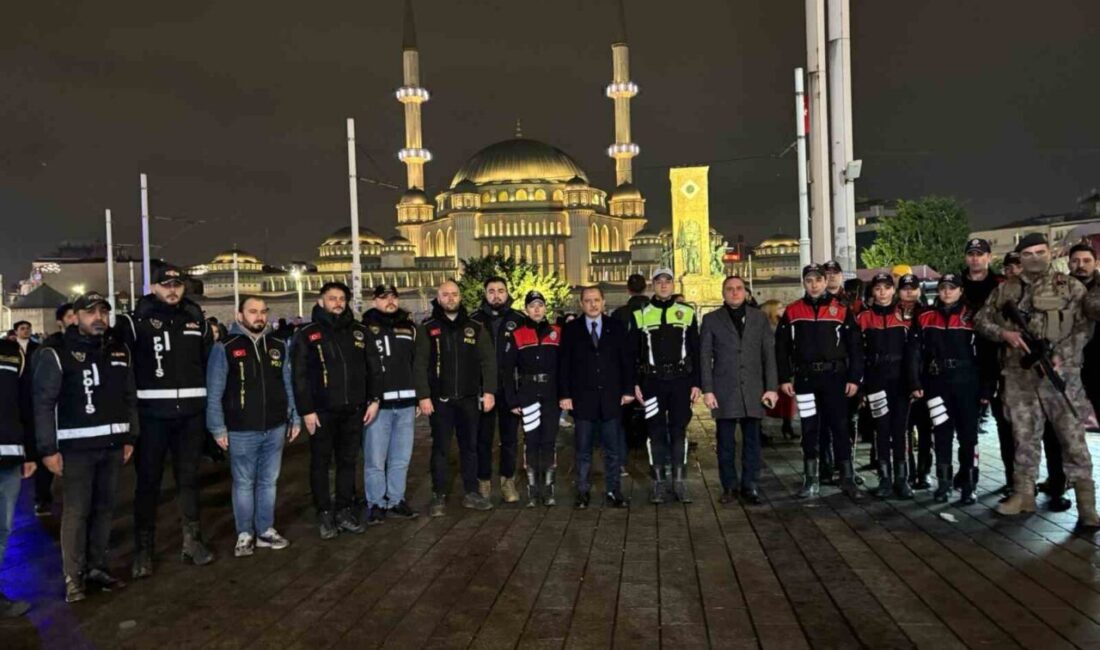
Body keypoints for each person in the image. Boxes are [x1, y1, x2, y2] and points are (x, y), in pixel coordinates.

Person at [976, 233, 1100, 528]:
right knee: (1024, 438)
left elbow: (1085, 328)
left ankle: (1087, 506)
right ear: (1020, 258)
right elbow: (981, 320)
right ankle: (1023, 494)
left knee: (1073, 440)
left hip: (1061, 376)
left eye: (1040, 252)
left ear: (1050, 253)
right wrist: (1005, 334)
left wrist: (1062, 356)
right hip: (1020, 378)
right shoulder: (1005, 290)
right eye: (1028, 253)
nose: (1034, 258)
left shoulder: (1070, 286)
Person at [34, 291, 137, 602]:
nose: (98, 318)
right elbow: (43, 403)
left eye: (103, 312)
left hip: (112, 445)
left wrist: (130, 436)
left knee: (105, 509)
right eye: (91, 313)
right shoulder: (57, 352)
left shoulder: (119, 350)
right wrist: (48, 449)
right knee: (77, 513)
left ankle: (97, 566)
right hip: (76, 448)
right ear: (75, 316)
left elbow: (129, 396)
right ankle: (73, 577)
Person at [116, 265, 215, 577]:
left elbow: (206, 360)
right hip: (152, 417)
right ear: (153, 287)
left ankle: (192, 541)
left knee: (188, 480)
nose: (173, 290)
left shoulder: (195, 317)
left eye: (177, 284)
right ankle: (144, 550)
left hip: (190, 414)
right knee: (148, 484)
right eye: (166, 285)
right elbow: (123, 370)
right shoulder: (134, 321)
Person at [206, 296, 300, 558]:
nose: (259, 317)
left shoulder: (278, 345)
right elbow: (215, 391)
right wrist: (217, 427)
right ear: (239, 316)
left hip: (275, 426)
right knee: (244, 482)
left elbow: (287, 384)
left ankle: (265, 530)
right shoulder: (225, 347)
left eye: (262, 312)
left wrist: (294, 417)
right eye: (252, 312)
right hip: (240, 428)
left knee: (269, 482)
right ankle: (245, 533)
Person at [290, 282, 380, 539]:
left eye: (342, 298)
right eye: (332, 298)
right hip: (321, 412)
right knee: (320, 463)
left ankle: (344, 508)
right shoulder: (308, 334)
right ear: (321, 302)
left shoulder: (359, 332)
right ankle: (324, 512)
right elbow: (300, 376)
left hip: (353, 410)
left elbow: (373, 367)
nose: (338, 303)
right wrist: (306, 410)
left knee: (348, 462)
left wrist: (374, 399)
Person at [776, 263, 863, 499]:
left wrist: (854, 377)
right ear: (804, 283)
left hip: (835, 378)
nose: (813, 285)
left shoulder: (842, 310)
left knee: (840, 426)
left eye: (818, 280)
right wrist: (784, 378)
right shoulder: (793, 311)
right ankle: (811, 479)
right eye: (809, 280)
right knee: (810, 429)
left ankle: (847, 478)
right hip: (805, 380)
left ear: (826, 282)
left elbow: (855, 347)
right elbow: (781, 349)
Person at [413, 280, 497, 517]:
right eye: (445, 295)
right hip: (440, 401)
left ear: (461, 297)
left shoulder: (475, 328)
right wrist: (423, 396)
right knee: (440, 449)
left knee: (470, 447)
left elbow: (488, 362)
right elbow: (419, 365)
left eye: (454, 294)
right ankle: (438, 495)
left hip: (469, 400)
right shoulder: (427, 328)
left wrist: (489, 391)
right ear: (438, 298)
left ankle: (471, 492)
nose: (450, 298)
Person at [907, 273, 990, 505]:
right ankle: (943, 485)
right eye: (943, 288)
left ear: (960, 291)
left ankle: (969, 485)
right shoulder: (924, 317)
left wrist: (986, 389)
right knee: (942, 434)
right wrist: (915, 382)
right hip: (937, 384)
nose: (946, 292)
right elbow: (914, 352)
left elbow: (986, 356)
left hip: (967, 384)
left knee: (969, 438)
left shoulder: (973, 317)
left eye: (952, 288)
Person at [700, 276, 778, 505]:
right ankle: (729, 487)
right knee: (725, 443)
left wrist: (771, 388)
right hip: (724, 390)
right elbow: (705, 357)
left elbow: (768, 356)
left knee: (752, 442)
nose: (734, 293)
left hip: (753, 389)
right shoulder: (711, 319)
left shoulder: (759, 318)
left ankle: (751, 485)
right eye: (729, 289)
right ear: (723, 293)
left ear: (746, 292)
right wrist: (708, 390)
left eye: (738, 289)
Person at [629, 268, 701, 504]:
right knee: (655, 431)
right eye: (658, 282)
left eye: (667, 282)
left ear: (672, 285)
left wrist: (696, 383)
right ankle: (659, 483)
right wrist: (635, 384)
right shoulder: (641, 314)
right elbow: (634, 354)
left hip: (680, 381)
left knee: (679, 430)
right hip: (652, 383)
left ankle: (679, 483)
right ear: (652, 285)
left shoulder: (686, 312)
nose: (663, 286)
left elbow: (695, 350)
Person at [559, 286, 633, 508]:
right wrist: (564, 395)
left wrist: (628, 390)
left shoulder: (616, 327)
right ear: (581, 304)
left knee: (613, 450)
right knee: (582, 451)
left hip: (611, 399)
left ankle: (613, 491)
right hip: (583, 400)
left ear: (603, 303)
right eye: (588, 300)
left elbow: (626, 361)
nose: (592, 304)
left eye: (596, 300)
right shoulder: (571, 330)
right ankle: (582, 491)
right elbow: (564, 366)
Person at [361, 285, 420, 524]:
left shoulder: (409, 327)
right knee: (375, 459)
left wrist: (418, 397)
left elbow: (416, 363)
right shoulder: (365, 328)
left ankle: (396, 499)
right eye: (384, 297)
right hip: (379, 405)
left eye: (394, 297)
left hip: (405, 403)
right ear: (374, 300)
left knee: (401, 457)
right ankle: (376, 502)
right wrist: (369, 399)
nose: (390, 301)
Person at [501, 291, 562, 507]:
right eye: (532, 306)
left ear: (546, 308)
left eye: (540, 305)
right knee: (531, 441)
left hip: (551, 394)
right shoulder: (517, 334)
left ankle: (549, 489)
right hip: (527, 394)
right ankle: (533, 491)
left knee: (549, 441)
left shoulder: (557, 333)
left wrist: (565, 395)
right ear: (526, 309)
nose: (536, 309)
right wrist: (512, 400)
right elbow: (507, 371)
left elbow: (565, 368)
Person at [960, 238, 1011, 495]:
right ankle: (967, 473)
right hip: (966, 364)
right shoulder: (956, 284)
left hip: (999, 362)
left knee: (1006, 424)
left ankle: (1014, 479)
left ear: (989, 257)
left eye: (980, 254)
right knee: (966, 424)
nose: (976, 259)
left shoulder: (1001, 285)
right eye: (971, 254)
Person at [857, 273, 914, 499]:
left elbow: (914, 353)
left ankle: (902, 479)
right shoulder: (864, 318)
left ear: (893, 290)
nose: (882, 292)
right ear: (872, 291)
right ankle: (885, 479)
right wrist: (861, 386)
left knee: (901, 430)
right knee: (881, 430)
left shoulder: (906, 317)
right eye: (877, 288)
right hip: (876, 382)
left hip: (900, 382)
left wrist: (914, 382)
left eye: (886, 287)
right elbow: (858, 354)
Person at [470, 276, 525, 503]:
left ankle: (507, 481)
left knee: (510, 438)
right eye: (491, 291)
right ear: (485, 294)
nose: (496, 295)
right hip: (483, 390)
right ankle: (483, 482)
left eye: (500, 290)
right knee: (482, 439)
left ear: (507, 292)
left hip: (509, 391)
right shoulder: (474, 320)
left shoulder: (519, 319)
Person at [0, 333, 35, 616]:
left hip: (9, 456)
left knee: (2, 530)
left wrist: (31, 452)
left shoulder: (12, 354)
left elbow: (25, 404)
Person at [33, 302, 76, 517]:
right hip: (55, 419)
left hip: (78, 422)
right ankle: (43, 499)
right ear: (60, 322)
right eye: (70, 317)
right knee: (48, 465)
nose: (75, 320)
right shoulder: (49, 349)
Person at [897, 274, 932, 489]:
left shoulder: (928, 313)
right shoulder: (892, 312)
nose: (909, 292)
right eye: (905, 288)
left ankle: (924, 471)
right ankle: (906, 471)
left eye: (913, 288)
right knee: (903, 429)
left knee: (926, 428)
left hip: (925, 378)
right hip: (898, 377)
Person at [611, 273, 650, 466]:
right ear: (646, 288)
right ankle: (653, 460)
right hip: (651, 370)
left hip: (626, 369)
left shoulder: (620, 313)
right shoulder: (653, 311)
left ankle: (622, 460)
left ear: (628, 289)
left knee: (623, 416)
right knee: (653, 414)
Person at [760, 300, 797, 440]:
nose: (783, 309)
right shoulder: (766, 328)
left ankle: (787, 426)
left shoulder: (785, 325)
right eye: (780, 307)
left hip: (785, 366)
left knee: (788, 398)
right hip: (770, 367)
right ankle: (762, 429)